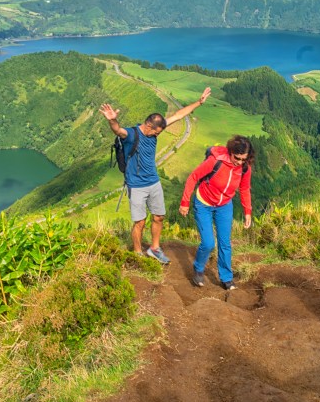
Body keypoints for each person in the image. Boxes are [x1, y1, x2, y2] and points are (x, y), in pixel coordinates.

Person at [100, 86, 211, 264]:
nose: (158, 135)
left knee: (159, 216)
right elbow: (118, 130)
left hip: (154, 182)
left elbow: (178, 116)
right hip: (136, 185)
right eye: (157, 132)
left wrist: (199, 102)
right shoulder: (131, 134)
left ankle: (155, 248)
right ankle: (137, 254)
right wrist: (112, 120)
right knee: (140, 222)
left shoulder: (155, 130)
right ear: (149, 125)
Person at [179, 135, 254, 290]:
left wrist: (248, 211)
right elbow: (193, 177)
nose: (239, 162)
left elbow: (244, 188)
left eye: (243, 159)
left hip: (225, 205)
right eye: (237, 158)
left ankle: (226, 278)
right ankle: (198, 268)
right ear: (231, 151)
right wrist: (185, 202)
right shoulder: (216, 161)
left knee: (225, 243)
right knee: (208, 243)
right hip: (204, 203)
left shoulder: (245, 168)